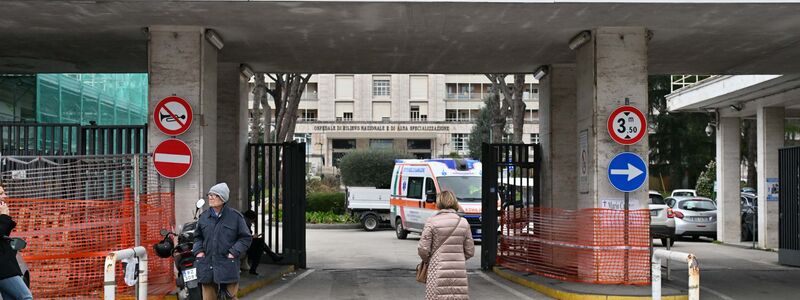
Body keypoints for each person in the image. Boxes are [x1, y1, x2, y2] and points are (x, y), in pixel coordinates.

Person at [193, 183, 252, 300]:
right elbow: (197, 237)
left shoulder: (235, 217)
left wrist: (233, 252)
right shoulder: (204, 217)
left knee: (230, 298)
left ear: (223, 198)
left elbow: (245, 238)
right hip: (207, 265)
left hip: (228, 265)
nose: (210, 197)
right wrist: (199, 251)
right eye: (209, 195)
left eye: (214, 195)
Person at [417, 191, 475, 300]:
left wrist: (429, 260)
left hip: (437, 270)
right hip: (458, 272)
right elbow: (470, 251)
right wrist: (458, 258)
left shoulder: (431, 222)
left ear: (439, 202)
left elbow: (423, 249)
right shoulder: (463, 222)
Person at [0, 186, 34, 300]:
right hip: (4, 269)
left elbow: (3, 235)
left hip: (5, 268)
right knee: (26, 297)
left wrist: (4, 217)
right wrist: (4, 217)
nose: (5, 196)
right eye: (1, 193)